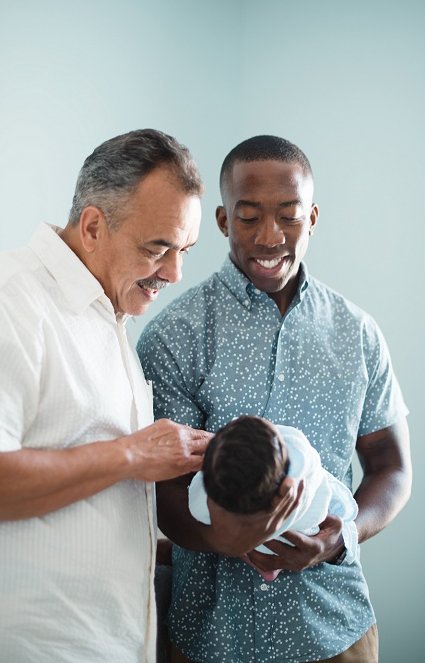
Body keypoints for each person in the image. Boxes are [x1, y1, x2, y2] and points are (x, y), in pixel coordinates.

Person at [137, 135, 411, 663]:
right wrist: (226, 538)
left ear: (312, 218)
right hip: (211, 637)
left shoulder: (357, 333)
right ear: (221, 220)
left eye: (288, 216)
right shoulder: (175, 336)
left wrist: (340, 537)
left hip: (335, 631)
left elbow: (392, 467)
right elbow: (163, 490)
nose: (269, 237)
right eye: (248, 217)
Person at [0, 129, 217, 663]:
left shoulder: (112, 319)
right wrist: (134, 454)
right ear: (92, 227)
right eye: (159, 248)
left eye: (186, 251)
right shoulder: (4, 300)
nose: (175, 273)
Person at [190, 415, 359, 581]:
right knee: (310, 521)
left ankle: (264, 566)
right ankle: (268, 562)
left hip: (265, 546)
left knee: (252, 541)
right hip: (299, 532)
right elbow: (303, 452)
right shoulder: (301, 466)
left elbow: (197, 507)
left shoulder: (211, 492)